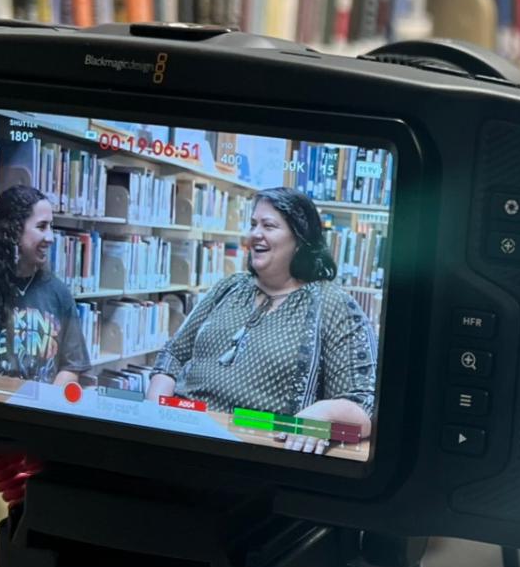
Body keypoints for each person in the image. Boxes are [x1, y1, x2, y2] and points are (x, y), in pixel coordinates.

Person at [150, 187, 377, 454]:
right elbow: (173, 355)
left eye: (269, 226)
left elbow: (364, 405)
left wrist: (324, 412)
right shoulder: (229, 287)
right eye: (253, 224)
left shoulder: (334, 305)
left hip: (261, 450)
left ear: (300, 239)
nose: (255, 234)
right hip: (182, 434)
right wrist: (154, 410)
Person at [0, 184, 90, 387]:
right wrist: (9, 396)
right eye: (41, 227)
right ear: (13, 231)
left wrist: (45, 403)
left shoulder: (59, 293)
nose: (50, 238)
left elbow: (72, 366)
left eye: (51, 226)